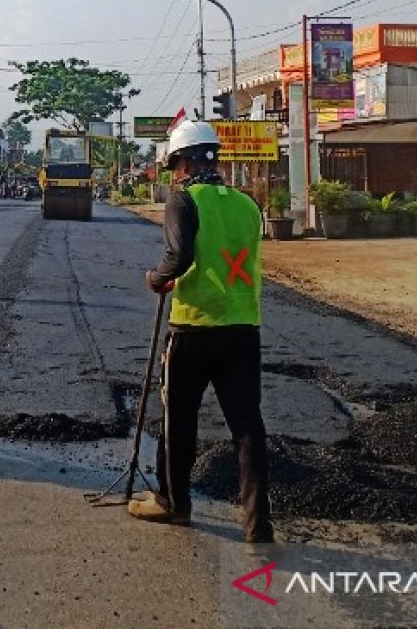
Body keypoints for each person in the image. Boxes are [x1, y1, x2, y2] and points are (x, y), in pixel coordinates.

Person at [129, 119, 273, 545]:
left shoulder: (183, 200)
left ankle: (174, 502)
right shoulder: (248, 205)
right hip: (243, 328)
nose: (175, 172)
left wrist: (156, 279)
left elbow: (178, 257)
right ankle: (258, 524)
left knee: (179, 419)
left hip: (193, 327)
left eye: (175, 164)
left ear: (184, 161)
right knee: (248, 427)